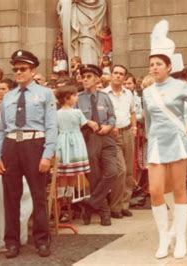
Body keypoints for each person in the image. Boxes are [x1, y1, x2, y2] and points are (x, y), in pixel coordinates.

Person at [142, 19, 187, 259]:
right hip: (157, 145)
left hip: (178, 143)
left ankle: (180, 238)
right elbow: (148, 122)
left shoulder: (180, 86)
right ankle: (164, 238)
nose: (154, 68)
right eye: (151, 64)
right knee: (156, 190)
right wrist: (148, 148)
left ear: (168, 67)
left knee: (180, 190)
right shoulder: (146, 92)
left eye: (159, 64)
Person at [0, 49, 57, 258]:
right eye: (16, 69)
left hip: (34, 145)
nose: (18, 73)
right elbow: (1, 129)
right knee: (11, 196)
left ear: (33, 70)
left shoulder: (45, 94)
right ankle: (11, 241)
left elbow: (51, 125)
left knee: (38, 195)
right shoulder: (9, 96)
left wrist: (47, 154)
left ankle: (41, 240)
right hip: (11, 146)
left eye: (23, 69)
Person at [76, 64, 117, 227]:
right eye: (83, 77)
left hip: (106, 137)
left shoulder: (105, 97)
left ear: (97, 79)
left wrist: (109, 126)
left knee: (113, 172)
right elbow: (73, 117)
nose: (85, 80)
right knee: (94, 176)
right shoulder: (78, 98)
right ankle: (104, 212)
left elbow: (112, 116)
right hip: (89, 137)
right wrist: (87, 122)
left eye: (89, 77)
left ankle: (90, 203)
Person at [103, 64, 137, 219]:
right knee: (120, 170)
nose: (117, 76)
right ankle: (115, 207)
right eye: (115, 73)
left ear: (124, 77)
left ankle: (125, 205)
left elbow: (132, 112)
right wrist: (110, 127)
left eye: (121, 74)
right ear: (111, 75)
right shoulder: (103, 94)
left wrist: (135, 127)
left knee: (129, 171)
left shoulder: (128, 93)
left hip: (127, 131)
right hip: (112, 135)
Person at [55, 85, 94, 200]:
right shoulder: (77, 112)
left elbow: (56, 128)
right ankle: (69, 193)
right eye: (75, 95)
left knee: (64, 171)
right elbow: (83, 124)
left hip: (62, 140)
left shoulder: (56, 113)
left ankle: (61, 193)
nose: (77, 97)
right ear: (67, 98)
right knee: (73, 171)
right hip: (75, 140)